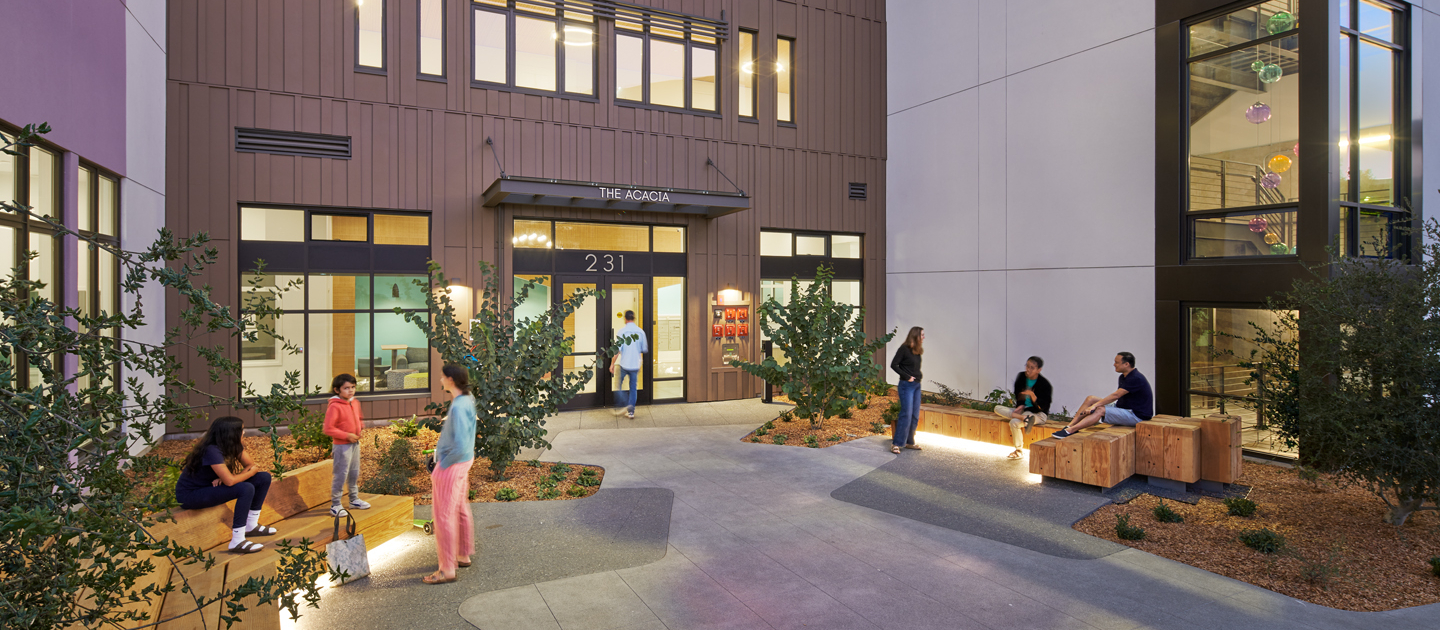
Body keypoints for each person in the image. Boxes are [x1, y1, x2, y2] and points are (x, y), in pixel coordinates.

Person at [173, 416, 276, 554]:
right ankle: (237, 541)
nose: (244, 433)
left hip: (210, 488)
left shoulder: (233, 446)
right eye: (242, 430)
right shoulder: (211, 450)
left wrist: (235, 476)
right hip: (191, 495)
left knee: (263, 477)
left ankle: (251, 526)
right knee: (245, 488)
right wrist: (236, 476)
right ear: (231, 433)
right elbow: (231, 481)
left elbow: (250, 465)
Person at [424, 364, 478, 585]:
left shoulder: (458, 406)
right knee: (460, 507)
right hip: (464, 461)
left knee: (443, 515)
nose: (440, 379)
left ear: (451, 380)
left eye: (442, 376)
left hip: (452, 465)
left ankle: (446, 569)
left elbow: (459, 443)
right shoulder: (467, 399)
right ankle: (462, 555)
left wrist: (442, 464)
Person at [1051, 352, 1153, 438]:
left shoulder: (1135, 378)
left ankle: (1071, 431)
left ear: (1126, 364)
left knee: (1100, 410)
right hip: (1124, 408)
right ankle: (1069, 426)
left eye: (1117, 362)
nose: (1114, 364)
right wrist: (1094, 404)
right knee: (1091, 399)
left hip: (1136, 415)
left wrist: (1095, 406)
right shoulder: (1123, 376)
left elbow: (1116, 396)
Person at [323, 374, 371, 517]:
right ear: (337, 390)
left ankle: (354, 499)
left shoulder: (354, 402)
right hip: (342, 446)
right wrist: (347, 435)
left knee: (354, 472)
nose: (350, 391)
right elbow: (328, 428)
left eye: (353, 387)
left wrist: (360, 428)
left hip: (355, 443)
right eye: (346, 388)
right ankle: (336, 504)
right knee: (341, 474)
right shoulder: (335, 406)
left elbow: (358, 418)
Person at [993, 356, 1053, 460]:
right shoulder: (1021, 376)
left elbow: (1043, 407)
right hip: (1024, 411)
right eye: (1027, 366)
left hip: (1038, 414)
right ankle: (1024, 419)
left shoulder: (1045, 384)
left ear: (1039, 370)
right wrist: (1020, 406)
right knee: (997, 408)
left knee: (1013, 423)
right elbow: (1018, 395)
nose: (1028, 370)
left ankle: (1019, 451)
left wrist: (1033, 396)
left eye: (1032, 368)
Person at [889, 326, 925, 455]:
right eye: (922, 335)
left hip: (916, 386)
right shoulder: (904, 349)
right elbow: (894, 365)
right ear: (915, 336)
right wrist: (907, 377)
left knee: (915, 415)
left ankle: (910, 442)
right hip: (906, 385)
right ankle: (896, 444)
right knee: (906, 414)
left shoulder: (917, 351)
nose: (924, 337)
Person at [609, 310, 648, 419]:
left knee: (618, 385)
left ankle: (625, 403)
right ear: (633, 318)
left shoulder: (622, 332)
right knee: (633, 388)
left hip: (624, 364)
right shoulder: (641, 332)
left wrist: (612, 364)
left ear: (625, 319)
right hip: (635, 365)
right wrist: (640, 361)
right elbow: (643, 350)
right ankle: (631, 411)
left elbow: (617, 350)